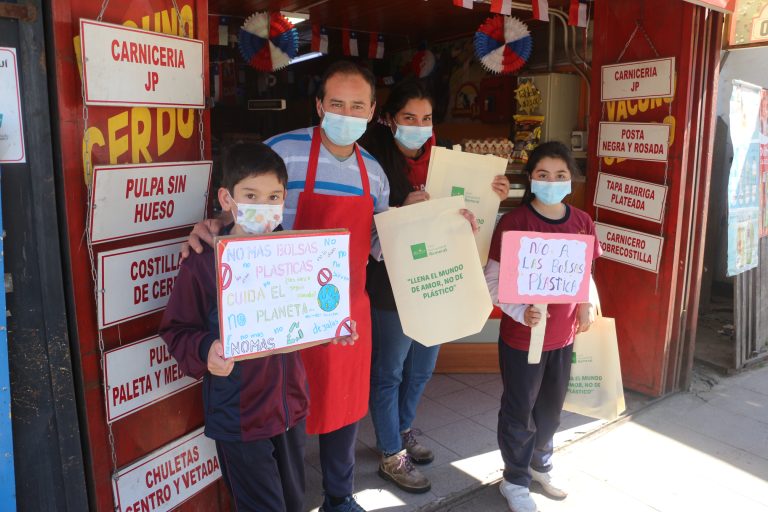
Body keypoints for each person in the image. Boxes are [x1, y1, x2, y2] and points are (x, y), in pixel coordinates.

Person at [184, 61, 389, 512]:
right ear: (319, 105)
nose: (347, 113)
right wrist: (210, 226)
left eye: (358, 105)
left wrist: (438, 226)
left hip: (339, 306)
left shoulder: (375, 173)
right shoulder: (283, 149)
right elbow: (244, 199)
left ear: (372, 111)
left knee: (342, 404)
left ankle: (339, 494)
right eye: (337, 103)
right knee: (283, 408)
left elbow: (379, 244)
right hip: (275, 305)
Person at [159, 143, 351, 512]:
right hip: (240, 415)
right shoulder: (204, 261)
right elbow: (177, 329)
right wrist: (206, 351)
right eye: (251, 195)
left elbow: (312, 316)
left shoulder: (298, 254)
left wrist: (334, 328)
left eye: (274, 196)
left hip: (291, 408)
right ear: (227, 198)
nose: (263, 206)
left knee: (296, 502)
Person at [360, 79, 510, 493]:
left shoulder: (446, 162)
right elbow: (361, 223)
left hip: (439, 278)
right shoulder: (370, 162)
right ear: (389, 119)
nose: (419, 126)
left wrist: (493, 193)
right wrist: (398, 211)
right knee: (389, 370)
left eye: (426, 118)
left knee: (423, 366)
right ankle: (391, 454)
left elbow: (472, 214)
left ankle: (402, 429)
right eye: (409, 118)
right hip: (390, 282)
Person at [483, 141, 601, 512]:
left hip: (563, 336)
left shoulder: (581, 221)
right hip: (523, 338)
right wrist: (519, 311)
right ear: (531, 179)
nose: (552, 181)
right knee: (520, 408)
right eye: (543, 175)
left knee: (551, 409)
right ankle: (514, 479)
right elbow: (492, 281)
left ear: (572, 180)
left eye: (561, 175)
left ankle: (540, 464)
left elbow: (585, 271)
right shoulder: (515, 223)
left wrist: (586, 302)